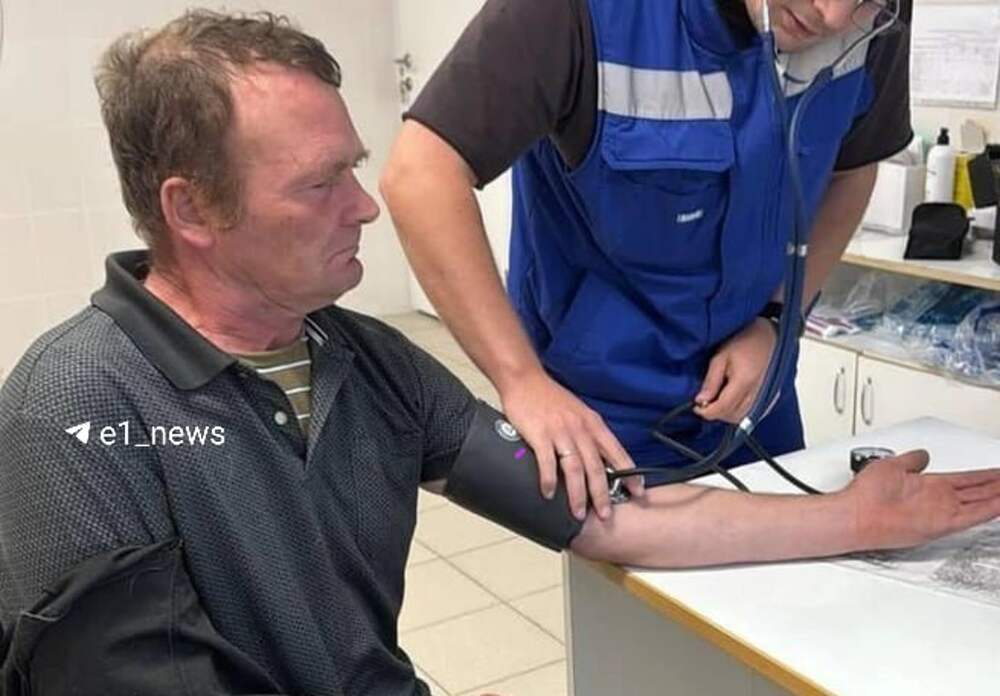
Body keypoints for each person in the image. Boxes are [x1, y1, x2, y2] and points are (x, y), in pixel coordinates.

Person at [3, 7, 1000, 696]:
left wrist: (855, 517)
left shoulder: (368, 365)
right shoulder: (77, 412)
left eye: (353, 170)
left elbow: (606, 516)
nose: (366, 206)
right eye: (320, 184)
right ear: (192, 211)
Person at [380, 0, 914, 520]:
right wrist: (520, 380)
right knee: (629, 578)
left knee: (800, 557)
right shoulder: (574, 13)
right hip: (608, 404)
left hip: (755, 382)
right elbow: (419, 177)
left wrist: (777, 320)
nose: (834, 17)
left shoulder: (874, 19)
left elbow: (854, 166)